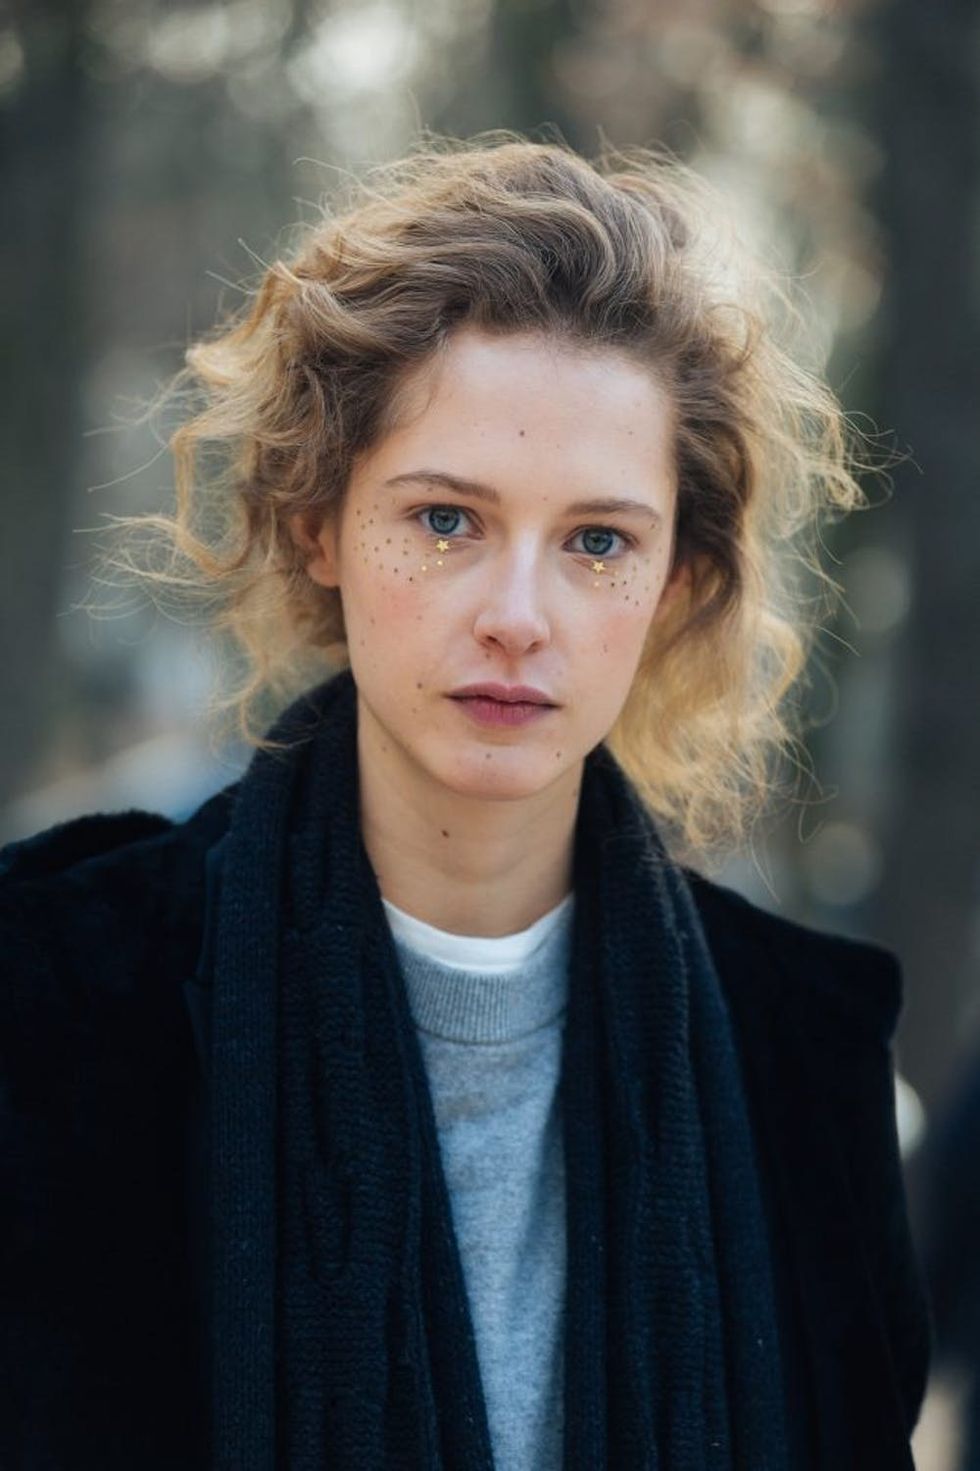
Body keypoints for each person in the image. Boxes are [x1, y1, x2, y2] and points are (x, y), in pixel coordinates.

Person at [1, 133, 931, 1470]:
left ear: (670, 586)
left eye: (598, 542)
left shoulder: (803, 1068)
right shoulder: (56, 1008)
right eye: (445, 520)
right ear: (317, 521)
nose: (515, 618)